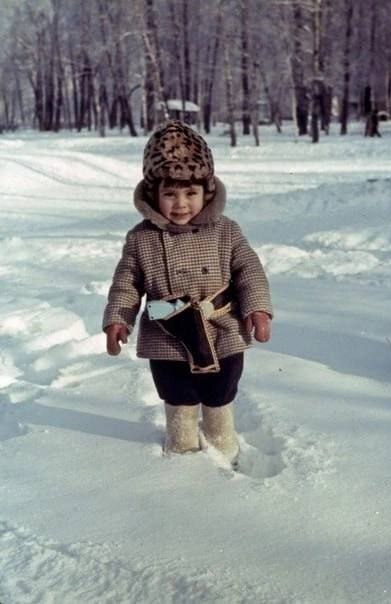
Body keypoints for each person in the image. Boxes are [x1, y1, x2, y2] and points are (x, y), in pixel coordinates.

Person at [103, 120, 273, 464]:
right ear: (154, 194)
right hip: (168, 332)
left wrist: (258, 309)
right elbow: (127, 283)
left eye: (190, 193)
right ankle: (181, 448)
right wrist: (118, 319)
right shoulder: (141, 238)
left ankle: (222, 443)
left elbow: (249, 271)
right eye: (170, 193)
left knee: (220, 390)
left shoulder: (226, 231)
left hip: (220, 328)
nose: (180, 204)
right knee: (176, 392)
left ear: (207, 192)